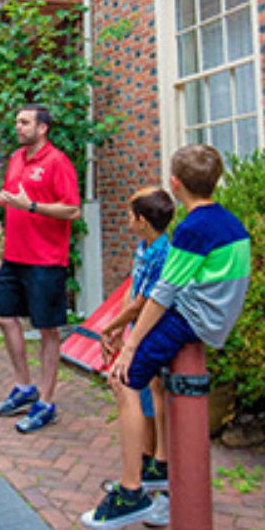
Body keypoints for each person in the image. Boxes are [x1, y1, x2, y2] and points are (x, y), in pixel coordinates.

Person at [81, 145, 251, 530]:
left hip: (192, 318)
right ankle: (157, 467)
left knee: (123, 380)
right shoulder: (230, 222)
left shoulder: (193, 229)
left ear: (175, 184)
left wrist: (130, 345)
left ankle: (130, 492)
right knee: (152, 382)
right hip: (212, 314)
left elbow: (162, 294)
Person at [0, 105, 81, 433]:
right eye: (17, 122)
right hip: (15, 255)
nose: (17, 127)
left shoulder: (57, 162)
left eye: (24, 122)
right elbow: (15, 199)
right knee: (4, 317)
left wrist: (32, 206)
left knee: (47, 329)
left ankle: (47, 402)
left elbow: (73, 210)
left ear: (43, 128)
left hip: (46, 259)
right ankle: (24, 387)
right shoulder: (16, 158)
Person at [99, 187, 174, 492]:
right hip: (135, 326)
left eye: (130, 214)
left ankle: (160, 461)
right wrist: (118, 326)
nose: (127, 218)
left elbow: (143, 302)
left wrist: (108, 328)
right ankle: (147, 459)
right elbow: (132, 289)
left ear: (142, 220)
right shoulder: (144, 246)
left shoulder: (162, 253)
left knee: (149, 388)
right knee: (145, 391)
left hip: (152, 327)